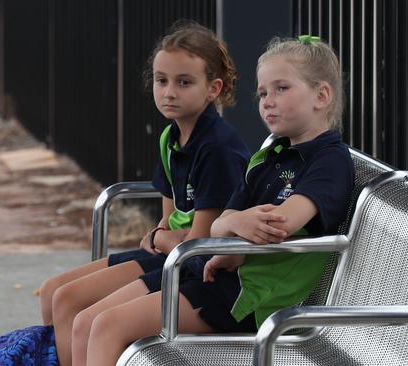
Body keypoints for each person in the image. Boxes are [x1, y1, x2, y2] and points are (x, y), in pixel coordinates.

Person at [83, 35, 354, 365]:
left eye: (281, 88)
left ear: (321, 95)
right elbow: (222, 224)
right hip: (211, 273)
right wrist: (232, 224)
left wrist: (231, 227)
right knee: (91, 320)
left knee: (108, 327)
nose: (267, 100)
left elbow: (278, 224)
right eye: (263, 92)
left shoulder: (329, 162)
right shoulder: (269, 156)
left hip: (251, 299)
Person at [39, 22, 251, 366]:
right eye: (161, 79)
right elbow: (169, 220)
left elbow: (199, 245)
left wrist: (164, 238)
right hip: (172, 256)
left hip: (202, 272)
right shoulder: (171, 137)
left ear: (213, 89)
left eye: (184, 82)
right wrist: (164, 236)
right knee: (57, 294)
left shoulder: (218, 149)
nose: (169, 91)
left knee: (86, 319)